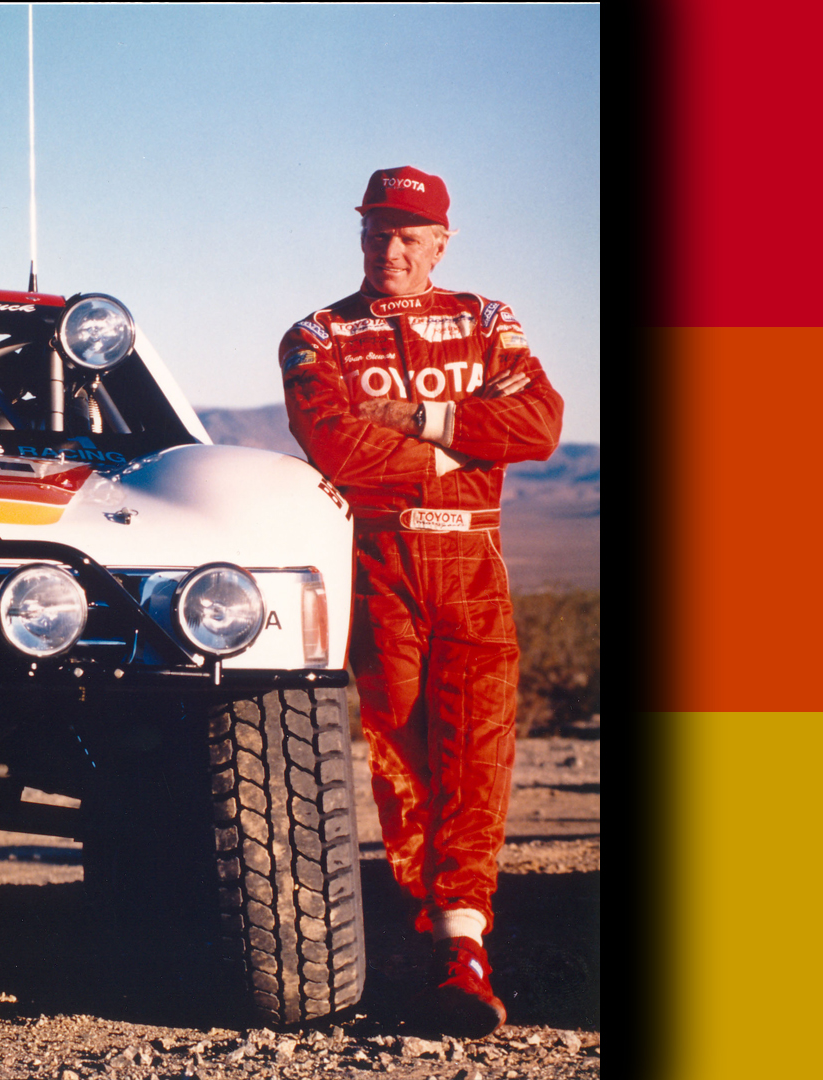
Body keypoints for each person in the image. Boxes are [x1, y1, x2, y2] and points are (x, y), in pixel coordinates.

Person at [277, 166, 563, 1037]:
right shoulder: (317, 334)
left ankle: (463, 948)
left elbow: (541, 425)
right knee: (402, 748)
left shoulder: (485, 318)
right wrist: (454, 448)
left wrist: (417, 419)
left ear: (442, 240)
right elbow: (330, 442)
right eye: (376, 232)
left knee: (477, 750)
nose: (389, 250)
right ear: (359, 233)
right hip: (379, 559)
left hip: (473, 560)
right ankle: (426, 925)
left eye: (408, 235)